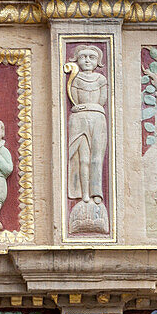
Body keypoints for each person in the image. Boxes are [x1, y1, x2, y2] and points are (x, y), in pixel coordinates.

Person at [66, 45, 108, 204]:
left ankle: (96, 192)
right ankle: (83, 193)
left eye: (92, 57)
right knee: (82, 158)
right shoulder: (75, 79)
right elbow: (75, 99)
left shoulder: (101, 79)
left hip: (97, 117)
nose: (87, 60)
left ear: (98, 61)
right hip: (79, 119)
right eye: (83, 57)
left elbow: (102, 99)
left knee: (97, 157)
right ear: (77, 59)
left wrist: (91, 107)